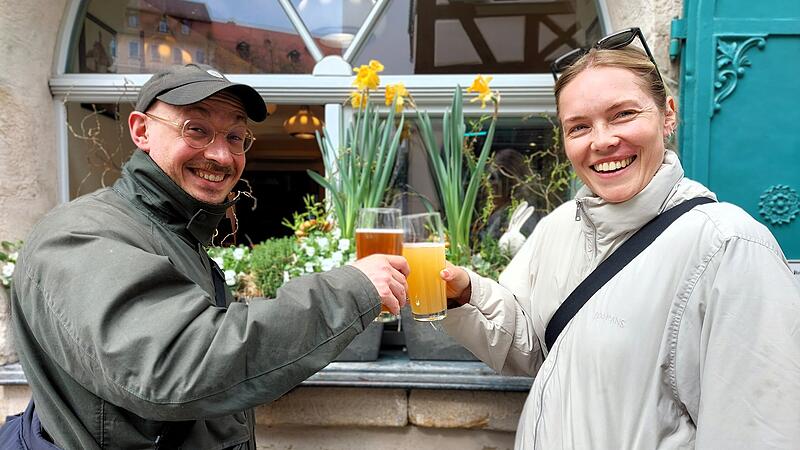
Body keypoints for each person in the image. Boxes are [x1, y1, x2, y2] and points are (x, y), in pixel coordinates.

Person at [8, 63, 409, 449]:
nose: (221, 156)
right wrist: (349, 290)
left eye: (235, 137)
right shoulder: (81, 233)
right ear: (141, 130)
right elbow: (176, 365)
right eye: (196, 130)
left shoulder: (174, 234)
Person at [439, 29, 800, 449]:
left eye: (623, 114)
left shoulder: (730, 246)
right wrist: (464, 296)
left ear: (668, 114)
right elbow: (535, 347)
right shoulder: (559, 227)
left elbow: (759, 431)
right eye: (578, 127)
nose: (603, 141)